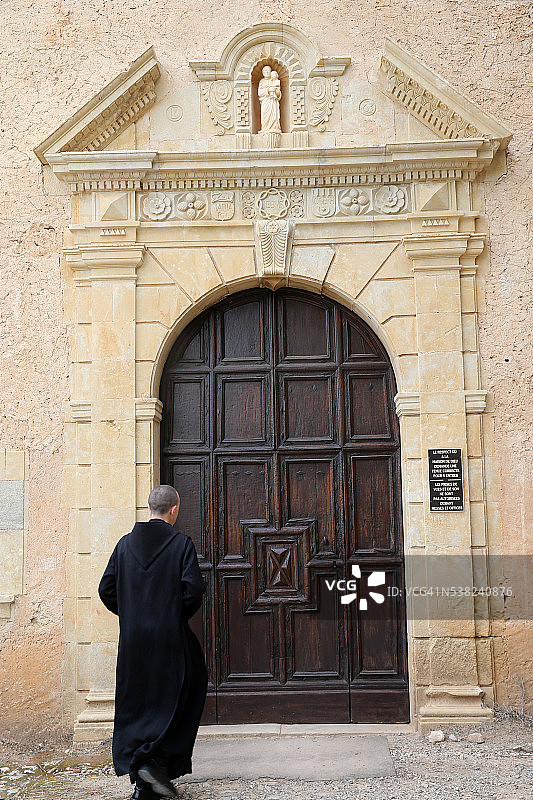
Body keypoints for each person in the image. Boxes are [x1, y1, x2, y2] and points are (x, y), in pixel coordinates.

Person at [98, 485, 208, 800]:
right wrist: (172, 615)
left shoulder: (124, 545)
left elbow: (106, 589)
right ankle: (155, 768)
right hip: (170, 637)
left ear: (149, 509)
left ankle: (144, 779)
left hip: (133, 639)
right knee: (185, 689)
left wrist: (132, 614)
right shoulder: (181, 544)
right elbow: (194, 590)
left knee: (139, 703)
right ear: (174, 510)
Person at [258, 64, 282, 133]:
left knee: (274, 114)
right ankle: (265, 128)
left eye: (268, 71)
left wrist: (276, 91)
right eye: (265, 71)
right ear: (262, 72)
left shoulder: (274, 80)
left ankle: (274, 127)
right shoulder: (262, 81)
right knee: (265, 113)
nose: (266, 72)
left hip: (273, 101)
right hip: (265, 101)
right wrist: (268, 90)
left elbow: (279, 93)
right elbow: (259, 93)